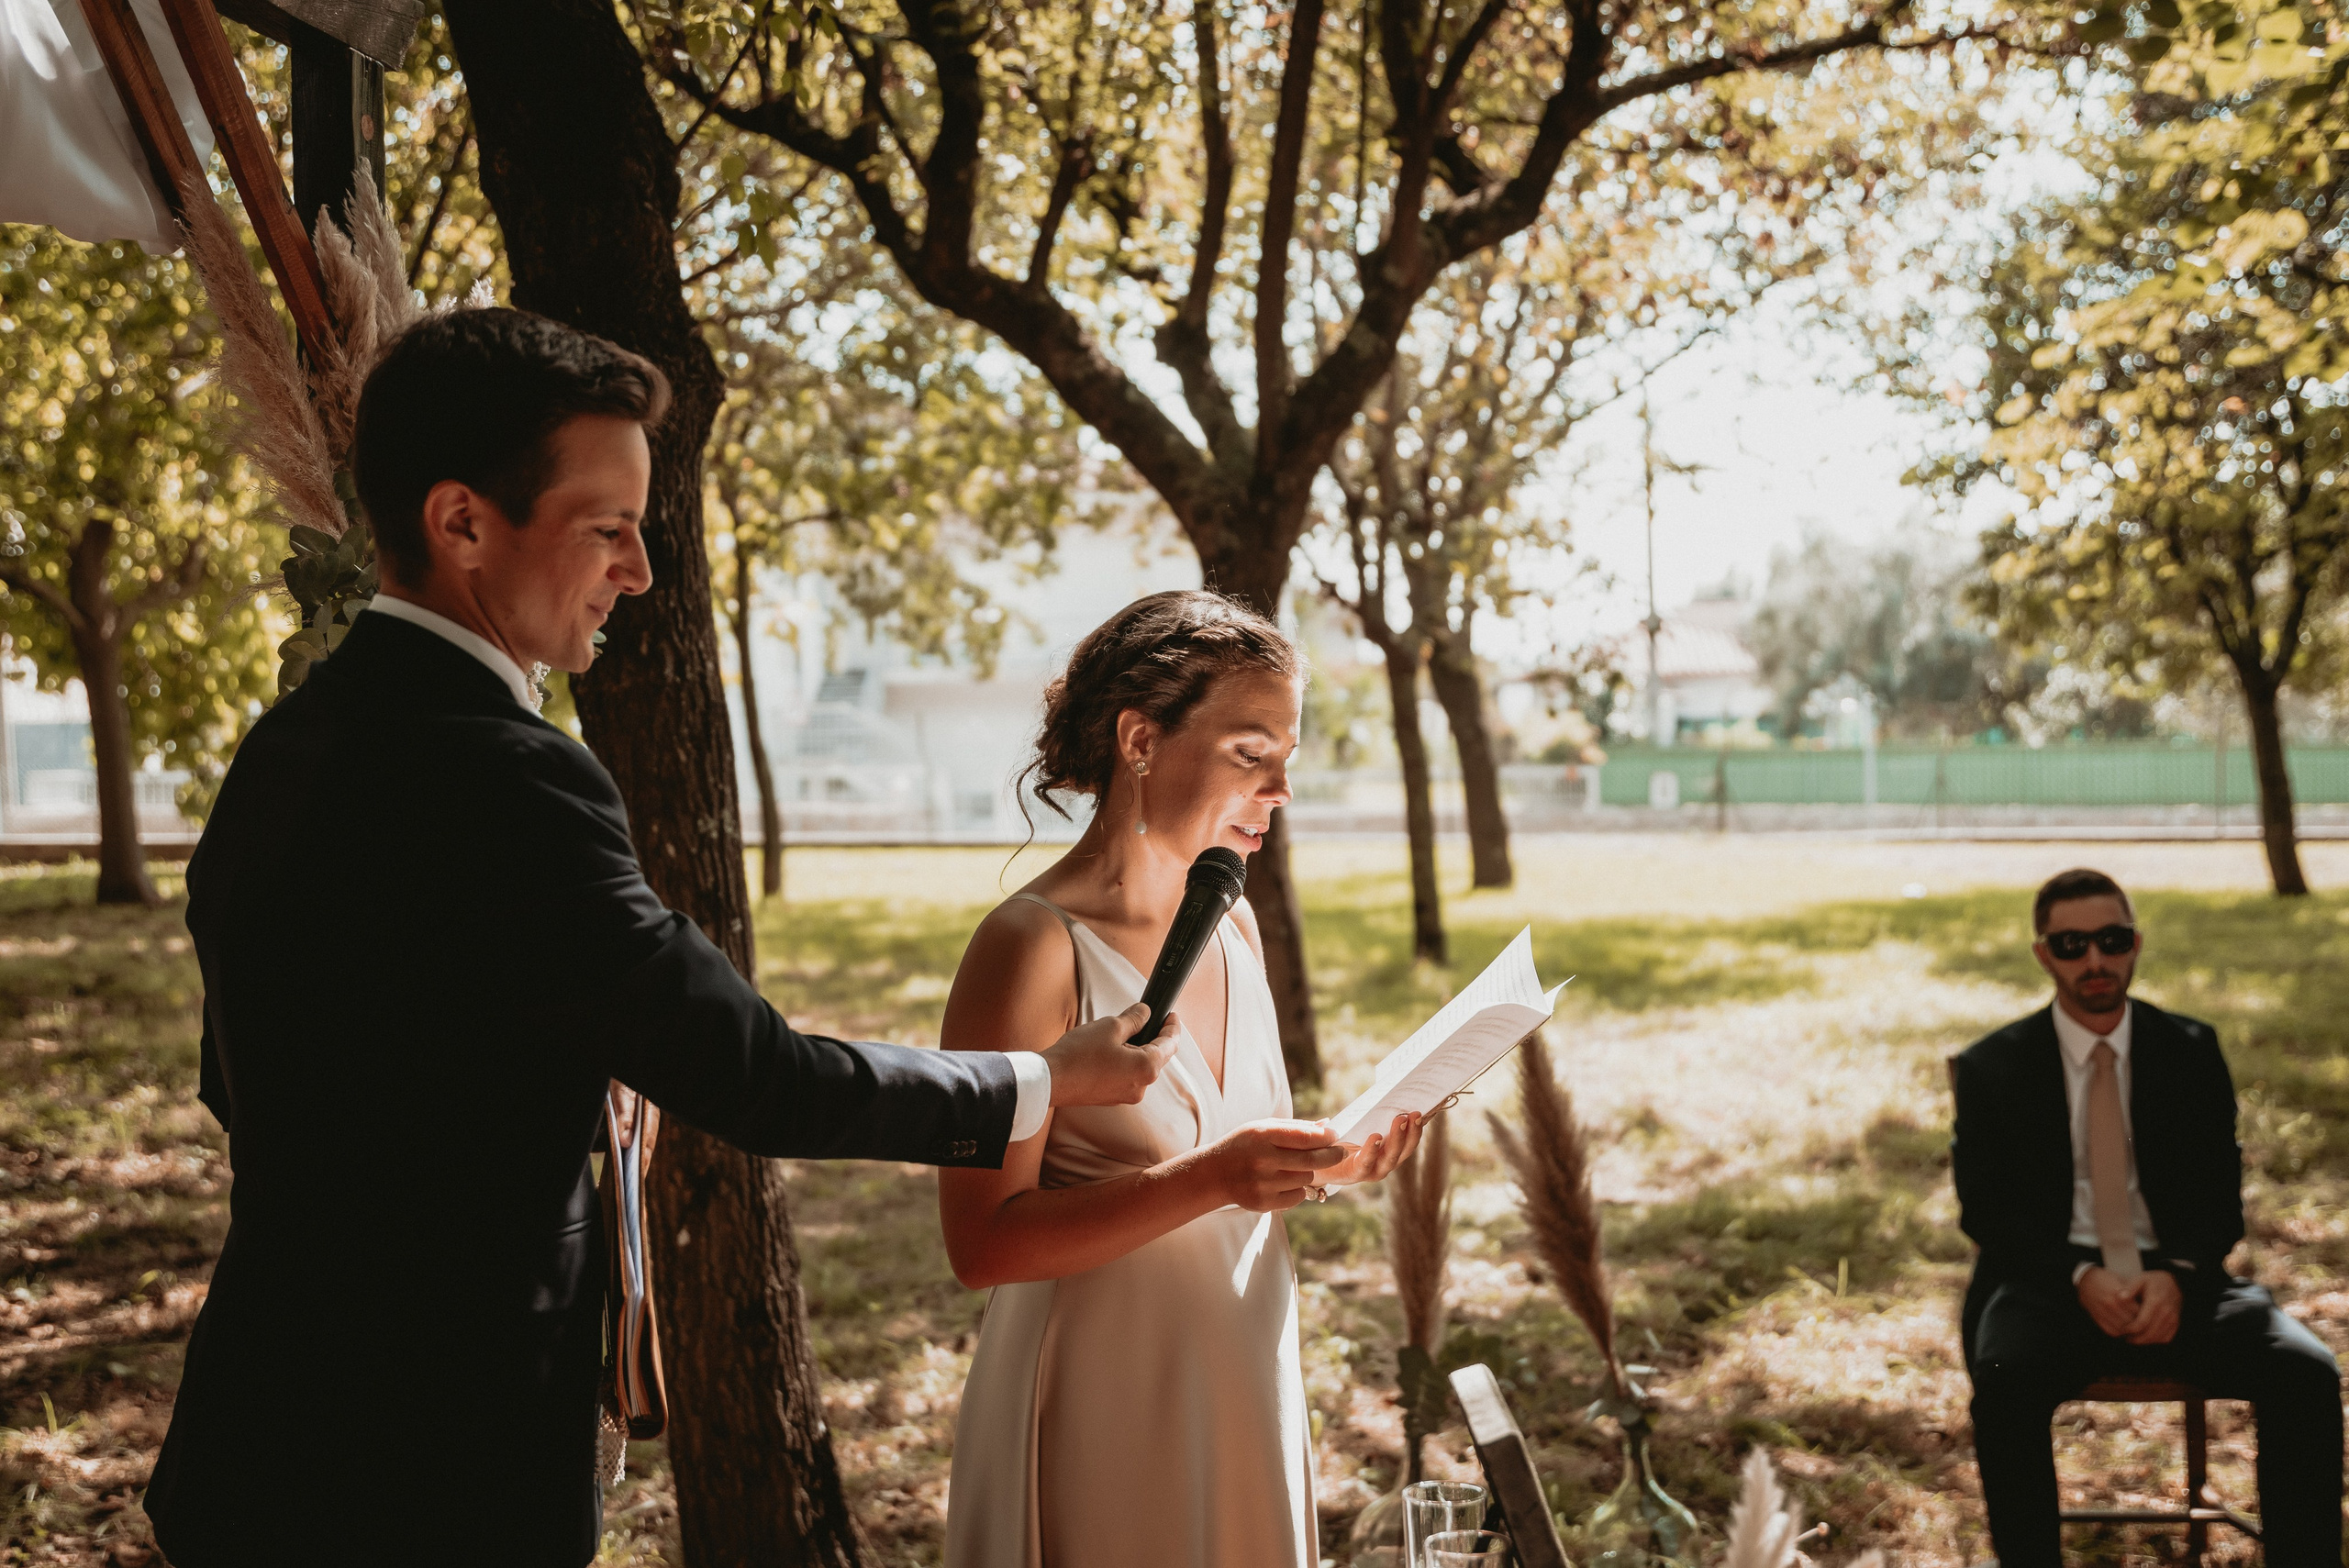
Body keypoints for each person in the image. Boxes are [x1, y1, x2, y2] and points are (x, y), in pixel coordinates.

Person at [142, 309, 1176, 1568]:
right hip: (434, 1470)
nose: (640, 571)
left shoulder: (283, 750)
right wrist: (1040, 1083)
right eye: (607, 528)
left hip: (256, 1435)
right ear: (461, 521)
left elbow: (248, 1074)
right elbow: (762, 1078)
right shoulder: (517, 780)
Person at [939, 591, 1423, 1568]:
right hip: (1098, 1400)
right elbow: (981, 1244)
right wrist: (1216, 1179)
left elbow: (1236, 1167)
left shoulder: (1232, 922)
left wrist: (1329, 1162)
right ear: (1139, 739)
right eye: (1252, 752)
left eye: (1289, 758)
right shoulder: (1029, 948)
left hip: (1240, 1367)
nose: (1281, 788)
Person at [1952, 867, 2343, 1567]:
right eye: (2072, 944)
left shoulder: (2189, 1048)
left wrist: (2177, 1275)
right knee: (2004, 1381)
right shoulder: (1994, 1067)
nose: (2095, 959)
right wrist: (2078, 1274)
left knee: (2307, 1372)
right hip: (2051, 1280)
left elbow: (2221, 1197)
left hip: (2182, 1281)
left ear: (2136, 943)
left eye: (2112, 938)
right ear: (2044, 954)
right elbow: (1986, 1209)